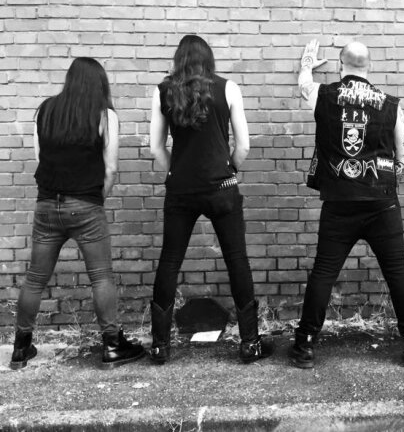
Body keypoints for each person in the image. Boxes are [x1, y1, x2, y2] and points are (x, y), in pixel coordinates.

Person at [288, 39, 404, 369]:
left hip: (338, 201)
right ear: (369, 66)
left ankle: (305, 344)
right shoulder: (390, 104)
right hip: (381, 201)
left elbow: (304, 84)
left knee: (324, 271)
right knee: (397, 271)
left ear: (341, 65)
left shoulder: (324, 95)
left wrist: (307, 62)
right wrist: (389, 179)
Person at [10, 58, 145, 370]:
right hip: (86, 206)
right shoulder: (105, 115)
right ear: (99, 83)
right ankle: (112, 346)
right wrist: (95, 200)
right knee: (101, 276)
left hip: (47, 205)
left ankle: (20, 348)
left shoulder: (45, 111)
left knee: (35, 278)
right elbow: (110, 168)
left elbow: (41, 158)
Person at [149, 35, 273, 364]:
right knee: (237, 260)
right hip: (222, 188)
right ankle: (250, 343)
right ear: (209, 59)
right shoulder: (228, 88)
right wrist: (229, 168)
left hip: (181, 190)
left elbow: (156, 148)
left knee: (169, 261)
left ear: (178, 59)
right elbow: (243, 146)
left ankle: (159, 346)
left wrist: (177, 172)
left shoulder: (163, 90)